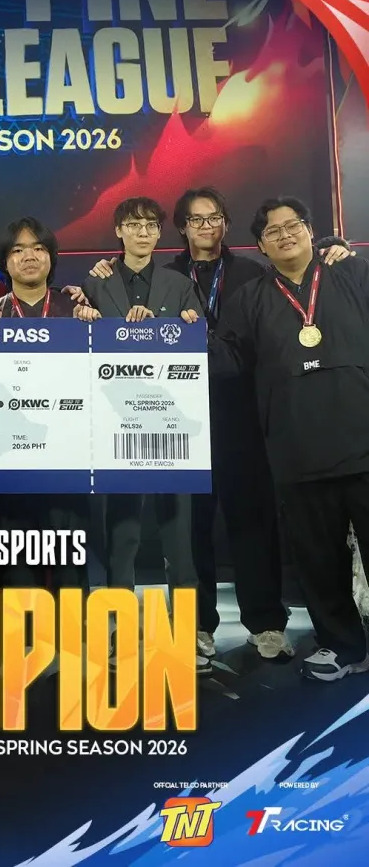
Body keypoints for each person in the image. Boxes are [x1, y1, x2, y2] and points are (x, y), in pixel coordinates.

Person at [88, 189, 353, 662]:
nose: (205, 226)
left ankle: (266, 622)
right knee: (189, 528)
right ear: (182, 228)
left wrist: (334, 246)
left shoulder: (254, 272)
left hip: (241, 412)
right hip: (175, 418)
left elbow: (302, 279)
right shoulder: (167, 275)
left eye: (214, 217)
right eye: (195, 219)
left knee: (251, 519)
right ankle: (198, 625)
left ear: (227, 223)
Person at [209, 197, 369, 682]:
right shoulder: (250, 298)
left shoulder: (353, 274)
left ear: (310, 230)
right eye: (272, 231)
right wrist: (179, 334)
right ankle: (343, 647)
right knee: (319, 561)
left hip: (363, 441)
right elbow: (227, 361)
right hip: (297, 451)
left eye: (292, 225)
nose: (285, 235)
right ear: (260, 246)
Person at [77, 197, 209, 673]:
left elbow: (202, 345)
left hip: (172, 428)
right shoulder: (95, 283)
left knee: (179, 541)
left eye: (150, 225)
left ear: (158, 233)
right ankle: (118, 631)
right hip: (118, 430)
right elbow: (78, 346)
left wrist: (187, 326)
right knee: (123, 538)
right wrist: (83, 317)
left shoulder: (179, 283)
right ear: (119, 231)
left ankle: (188, 632)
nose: (142, 232)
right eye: (133, 225)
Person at [0, 216, 91, 593]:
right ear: (4, 263)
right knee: (15, 559)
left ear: (51, 258)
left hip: (67, 458)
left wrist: (94, 327)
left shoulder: (77, 309)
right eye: (18, 250)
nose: (29, 257)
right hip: (9, 461)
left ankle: (70, 620)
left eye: (38, 249)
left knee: (68, 556)